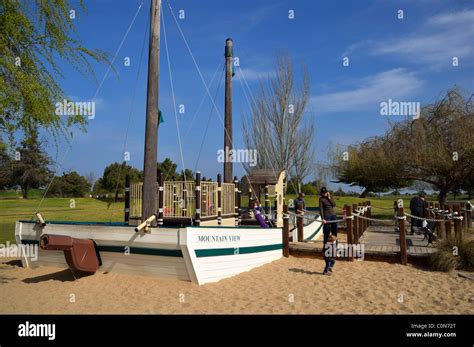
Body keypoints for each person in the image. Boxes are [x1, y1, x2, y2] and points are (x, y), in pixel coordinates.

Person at [319, 187, 337, 274]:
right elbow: (321, 209)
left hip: (333, 215)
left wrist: (329, 198)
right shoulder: (321, 199)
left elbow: (334, 204)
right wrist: (322, 218)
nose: (324, 194)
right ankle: (325, 243)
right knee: (326, 231)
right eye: (323, 193)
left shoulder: (329, 197)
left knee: (334, 232)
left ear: (327, 192)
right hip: (327, 216)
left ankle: (334, 243)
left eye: (325, 193)